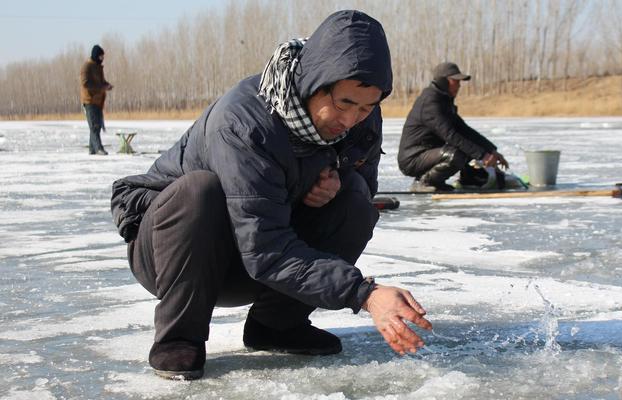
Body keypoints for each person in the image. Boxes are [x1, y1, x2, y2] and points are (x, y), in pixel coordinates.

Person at [110, 10, 432, 381]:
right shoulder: (245, 123)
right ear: (314, 82)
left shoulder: (360, 120)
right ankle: (178, 337)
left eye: (367, 107)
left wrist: (335, 185)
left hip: (256, 256)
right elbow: (265, 248)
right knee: (200, 191)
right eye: (344, 103)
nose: (351, 119)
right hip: (176, 254)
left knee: (356, 201)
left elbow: (359, 185)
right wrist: (364, 293)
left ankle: (276, 325)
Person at [397, 62, 509, 192]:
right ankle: (424, 182)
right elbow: (451, 135)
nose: (459, 85)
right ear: (443, 81)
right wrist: (483, 156)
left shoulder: (443, 100)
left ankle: (468, 179)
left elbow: (464, 130)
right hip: (413, 159)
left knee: (466, 149)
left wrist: (490, 150)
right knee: (455, 154)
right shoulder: (430, 102)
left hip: (428, 153)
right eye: (455, 81)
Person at [80, 44, 113, 155]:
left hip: (98, 101)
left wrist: (107, 85)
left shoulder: (98, 67)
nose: (102, 59)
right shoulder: (87, 67)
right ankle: (98, 148)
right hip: (89, 101)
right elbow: (85, 83)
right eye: (100, 56)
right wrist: (101, 87)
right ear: (96, 55)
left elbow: (101, 82)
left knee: (96, 126)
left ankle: (92, 149)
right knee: (94, 126)